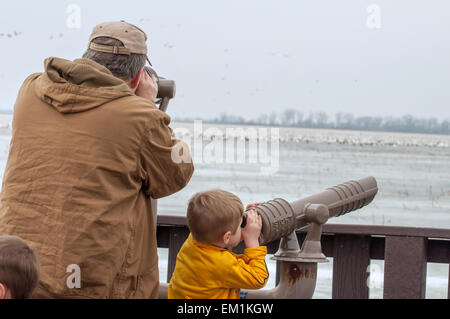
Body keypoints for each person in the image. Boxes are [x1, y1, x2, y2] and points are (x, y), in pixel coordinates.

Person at [0, 21, 194, 298]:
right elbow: (176, 173)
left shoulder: (31, 89)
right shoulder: (140, 115)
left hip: (19, 274)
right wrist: (148, 105)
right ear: (139, 76)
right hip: (93, 282)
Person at [168, 190, 268, 299]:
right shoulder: (222, 264)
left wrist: (236, 219)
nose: (242, 227)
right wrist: (252, 241)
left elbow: (221, 239)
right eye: (240, 225)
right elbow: (258, 278)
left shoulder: (194, 239)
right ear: (227, 236)